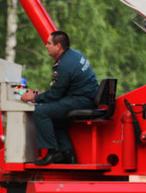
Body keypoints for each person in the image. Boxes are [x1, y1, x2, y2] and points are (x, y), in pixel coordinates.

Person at [20, 30, 98, 166]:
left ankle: (53, 151)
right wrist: (38, 94)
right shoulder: (74, 55)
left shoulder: (63, 65)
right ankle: (68, 156)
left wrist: (35, 97)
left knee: (41, 112)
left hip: (81, 101)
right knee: (55, 119)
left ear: (58, 46)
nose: (46, 46)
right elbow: (59, 92)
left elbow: (55, 95)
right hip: (85, 98)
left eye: (49, 43)